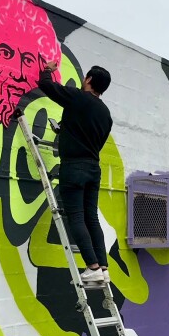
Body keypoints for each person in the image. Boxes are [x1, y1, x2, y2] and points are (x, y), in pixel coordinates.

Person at [38, 59, 113, 284]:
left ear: (88, 79)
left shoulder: (78, 97)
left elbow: (47, 86)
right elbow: (92, 139)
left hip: (74, 166)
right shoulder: (106, 114)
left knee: (76, 217)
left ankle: (91, 266)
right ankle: (103, 268)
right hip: (93, 168)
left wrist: (47, 70)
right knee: (91, 218)